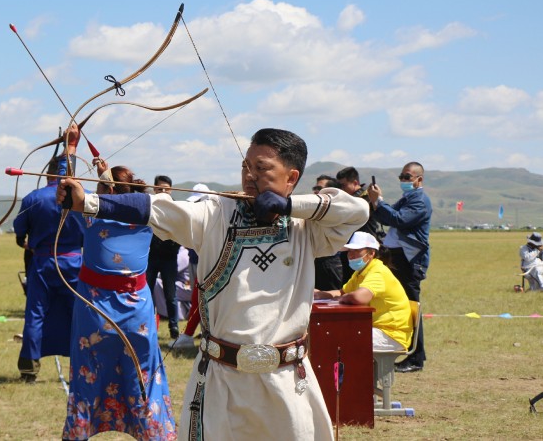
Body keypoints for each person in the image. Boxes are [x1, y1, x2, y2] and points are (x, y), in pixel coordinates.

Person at [58, 127, 369, 440]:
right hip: (222, 381)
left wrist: (287, 207)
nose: (250, 176)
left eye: (262, 169)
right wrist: (89, 202)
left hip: (287, 382)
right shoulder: (216, 213)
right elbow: (158, 210)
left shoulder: (308, 227)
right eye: (247, 166)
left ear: (291, 177)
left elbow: (358, 210)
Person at [62, 160, 176, 441]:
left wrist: (71, 150)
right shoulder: (149, 217)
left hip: (94, 313)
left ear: (104, 191)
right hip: (137, 313)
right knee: (144, 379)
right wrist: (104, 178)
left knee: (87, 377)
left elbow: (68, 189)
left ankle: (79, 433)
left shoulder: (91, 217)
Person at [14, 125, 86, 384]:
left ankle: (29, 371)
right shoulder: (83, 197)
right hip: (75, 262)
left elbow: (19, 231)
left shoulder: (34, 198)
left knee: (35, 313)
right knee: (78, 315)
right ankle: (81, 367)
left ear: (49, 174)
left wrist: (26, 240)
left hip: (43, 262)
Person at [368, 161, 432, 373]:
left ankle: (416, 357)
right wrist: (376, 203)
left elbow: (398, 219)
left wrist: (380, 201)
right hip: (398, 258)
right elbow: (385, 216)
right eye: (401, 177)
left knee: (411, 307)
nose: (403, 181)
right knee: (402, 306)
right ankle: (408, 353)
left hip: (409, 260)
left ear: (418, 179)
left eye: (407, 177)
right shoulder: (408, 198)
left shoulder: (420, 201)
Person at [315, 232, 413, 351]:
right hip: (377, 329)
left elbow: (358, 297)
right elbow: (342, 292)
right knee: (334, 335)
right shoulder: (361, 272)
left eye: (357, 251)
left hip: (391, 334)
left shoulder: (377, 272)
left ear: (371, 253)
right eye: (350, 251)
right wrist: (320, 294)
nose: (351, 255)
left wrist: (340, 298)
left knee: (337, 339)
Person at [173, 183, 211, 350]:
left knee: (204, 299)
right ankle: (196, 333)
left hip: (207, 262)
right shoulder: (195, 217)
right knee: (196, 298)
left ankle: (199, 334)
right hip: (195, 260)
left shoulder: (213, 218)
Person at [146, 175, 181, 339]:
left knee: (170, 295)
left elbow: (182, 231)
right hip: (151, 256)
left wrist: (174, 245)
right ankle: (149, 323)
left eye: (166, 188)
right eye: (160, 188)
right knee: (147, 292)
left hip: (169, 258)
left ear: (171, 189)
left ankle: (174, 326)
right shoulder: (149, 206)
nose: (163, 191)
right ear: (154, 189)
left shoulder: (176, 207)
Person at [312, 176, 346, 291]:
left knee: (331, 299)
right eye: (315, 188)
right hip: (316, 260)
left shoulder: (337, 210)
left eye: (319, 188)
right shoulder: (315, 209)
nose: (316, 191)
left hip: (330, 262)